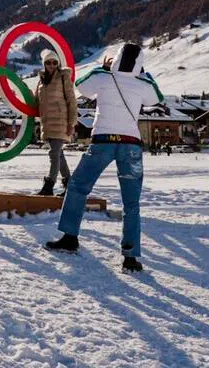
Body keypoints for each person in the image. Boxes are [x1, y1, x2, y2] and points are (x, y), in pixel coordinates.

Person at [45, 41, 164, 273]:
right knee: (131, 203)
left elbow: (80, 86)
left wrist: (104, 67)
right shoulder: (142, 83)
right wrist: (143, 73)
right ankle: (130, 257)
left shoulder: (103, 77)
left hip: (103, 141)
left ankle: (70, 237)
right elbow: (156, 98)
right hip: (130, 145)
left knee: (78, 187)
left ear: (116, 59)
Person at [34, 49, 78, 196]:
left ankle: (49, 185)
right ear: (44, 64)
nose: (51, 65)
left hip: (60, 121)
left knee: (54, 153)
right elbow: (36, 101)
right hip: (47, 123)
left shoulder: (63, 77)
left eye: (54, 62)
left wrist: (71, 123)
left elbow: (71, 100)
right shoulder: (41, 81)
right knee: (58, 155)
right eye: (48, 62)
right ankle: (69, 185)